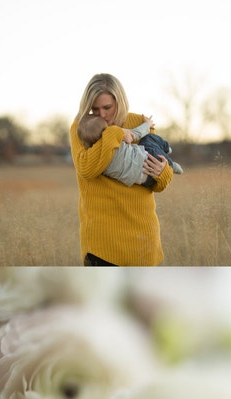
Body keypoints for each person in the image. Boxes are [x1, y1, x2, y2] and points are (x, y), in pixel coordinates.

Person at [70, 73, 174, 266]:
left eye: (107, 107)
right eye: (94, 109)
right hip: (102, 247)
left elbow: (157, 184)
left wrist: (164, 172)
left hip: (144, 242)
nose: (102, 115)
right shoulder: (83, 128)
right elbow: (87, 168)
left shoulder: (139, 123)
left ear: (120, 101)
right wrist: (114, 133)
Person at [77, 113, 184, 189]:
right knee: (149, 139)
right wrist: (147, 124)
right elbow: (136, 133)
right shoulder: (115, 138)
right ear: (106, 131)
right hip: (149, 160)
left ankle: (170, 162)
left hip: (144, 182)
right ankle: (167, 152)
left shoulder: (95, 161)